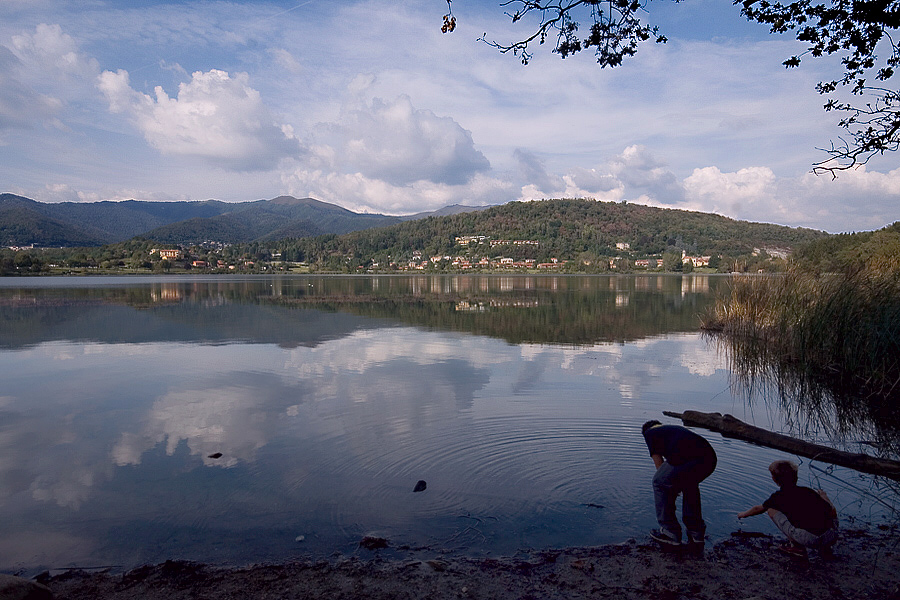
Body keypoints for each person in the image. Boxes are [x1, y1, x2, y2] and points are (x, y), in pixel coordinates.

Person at [737, 460, 838, 558]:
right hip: (831, 536)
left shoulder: (778, 497)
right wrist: (823, 495)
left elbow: (758, 509)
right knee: (828, 510)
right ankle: (826, 548)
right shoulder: (808, 491)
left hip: (810, 540)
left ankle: (797, 548)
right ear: (796, 477)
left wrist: (743, 514)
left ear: (774, 479)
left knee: (771, 510)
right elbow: (830, 509)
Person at [642, 420, 717, 547]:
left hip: (689, 458)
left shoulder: (650, 433)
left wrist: (669, 487)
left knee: (658, 482)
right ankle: (696, 532)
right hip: (709, 459)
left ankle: (670, 532)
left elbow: (660, 468)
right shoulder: (671, 431)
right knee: (689, 485)